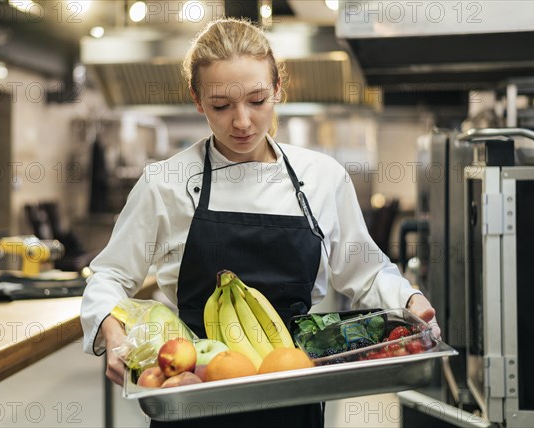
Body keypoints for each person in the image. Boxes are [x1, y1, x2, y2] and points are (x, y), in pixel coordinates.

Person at [81, 18, 439, 428]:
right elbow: (109, 274)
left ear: (278, 90)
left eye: (257, 100)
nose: (242, 122)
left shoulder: (322, 177)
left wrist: (409, 301)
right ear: (197, 101)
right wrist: (109, 328)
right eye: (221, 106)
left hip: (295, 386)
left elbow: (366, 271)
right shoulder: (166, 183)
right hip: (194, 387)